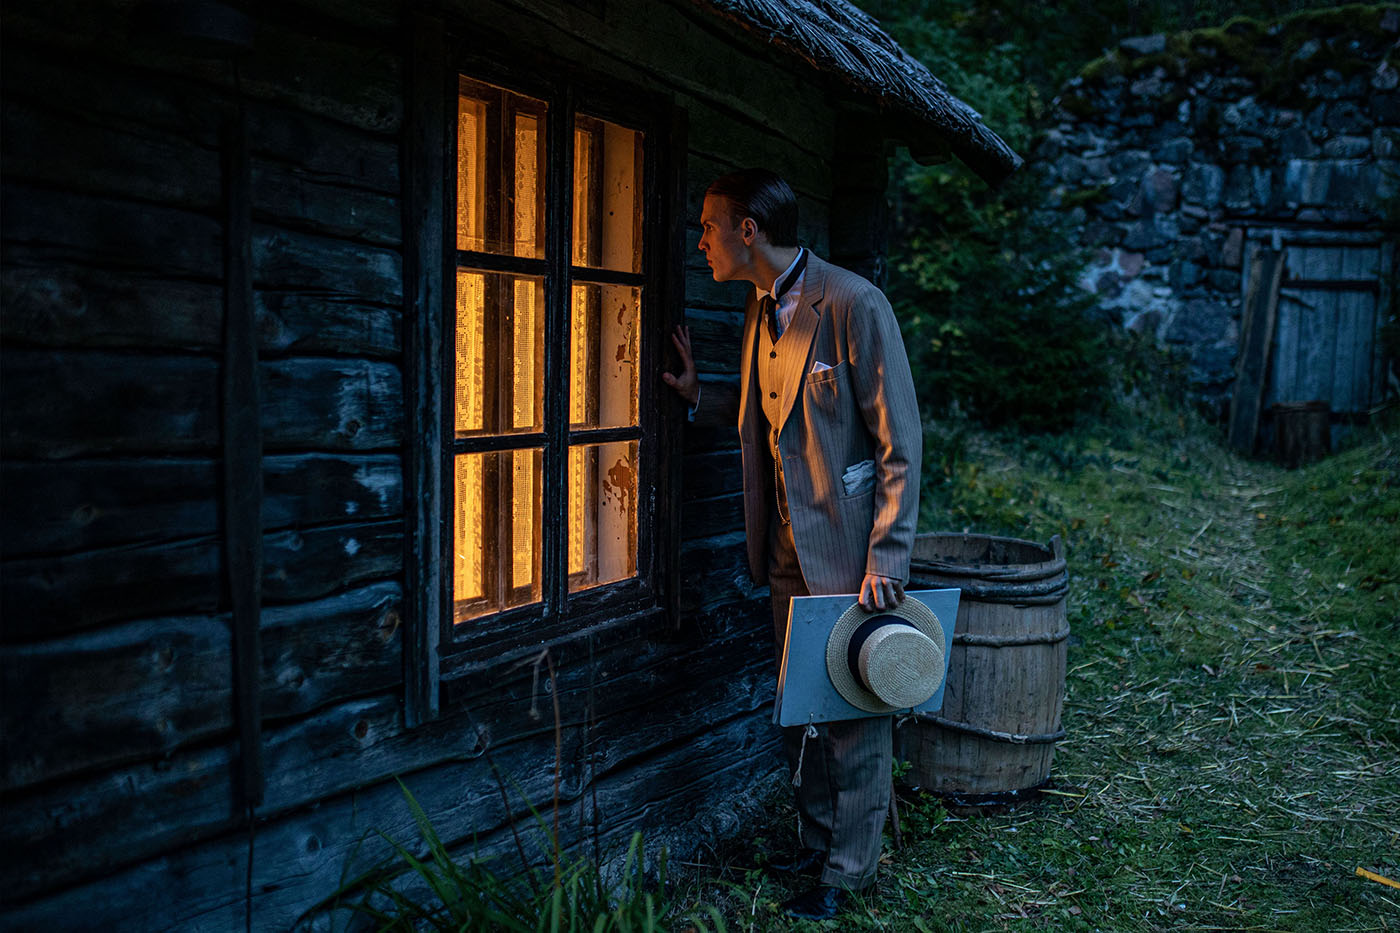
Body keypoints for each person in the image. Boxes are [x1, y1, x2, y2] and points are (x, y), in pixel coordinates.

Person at [663, 169, 921, 920]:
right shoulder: (760, 308)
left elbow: (900, 442)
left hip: (848, 553)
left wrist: (888, 557)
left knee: (855, 710)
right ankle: (815, 841)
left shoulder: (853, 303)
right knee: (804, 703)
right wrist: (698, 396)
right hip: (781, 553)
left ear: (749, 230)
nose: (700, 239)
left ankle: (847, 871)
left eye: (709, 226)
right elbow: (765, 417)